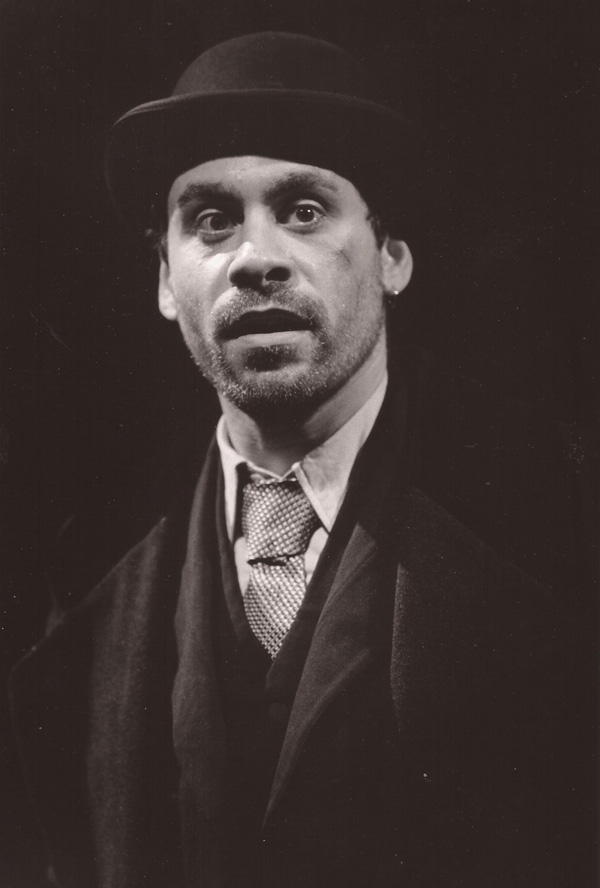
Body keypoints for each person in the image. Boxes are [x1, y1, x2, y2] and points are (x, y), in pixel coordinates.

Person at [9, 31, 587, 888]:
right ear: (166, 280)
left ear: (391, 258)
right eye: (211, 221)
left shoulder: (559, 535)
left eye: (305, 211)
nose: (257, 259)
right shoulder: (85, 576)